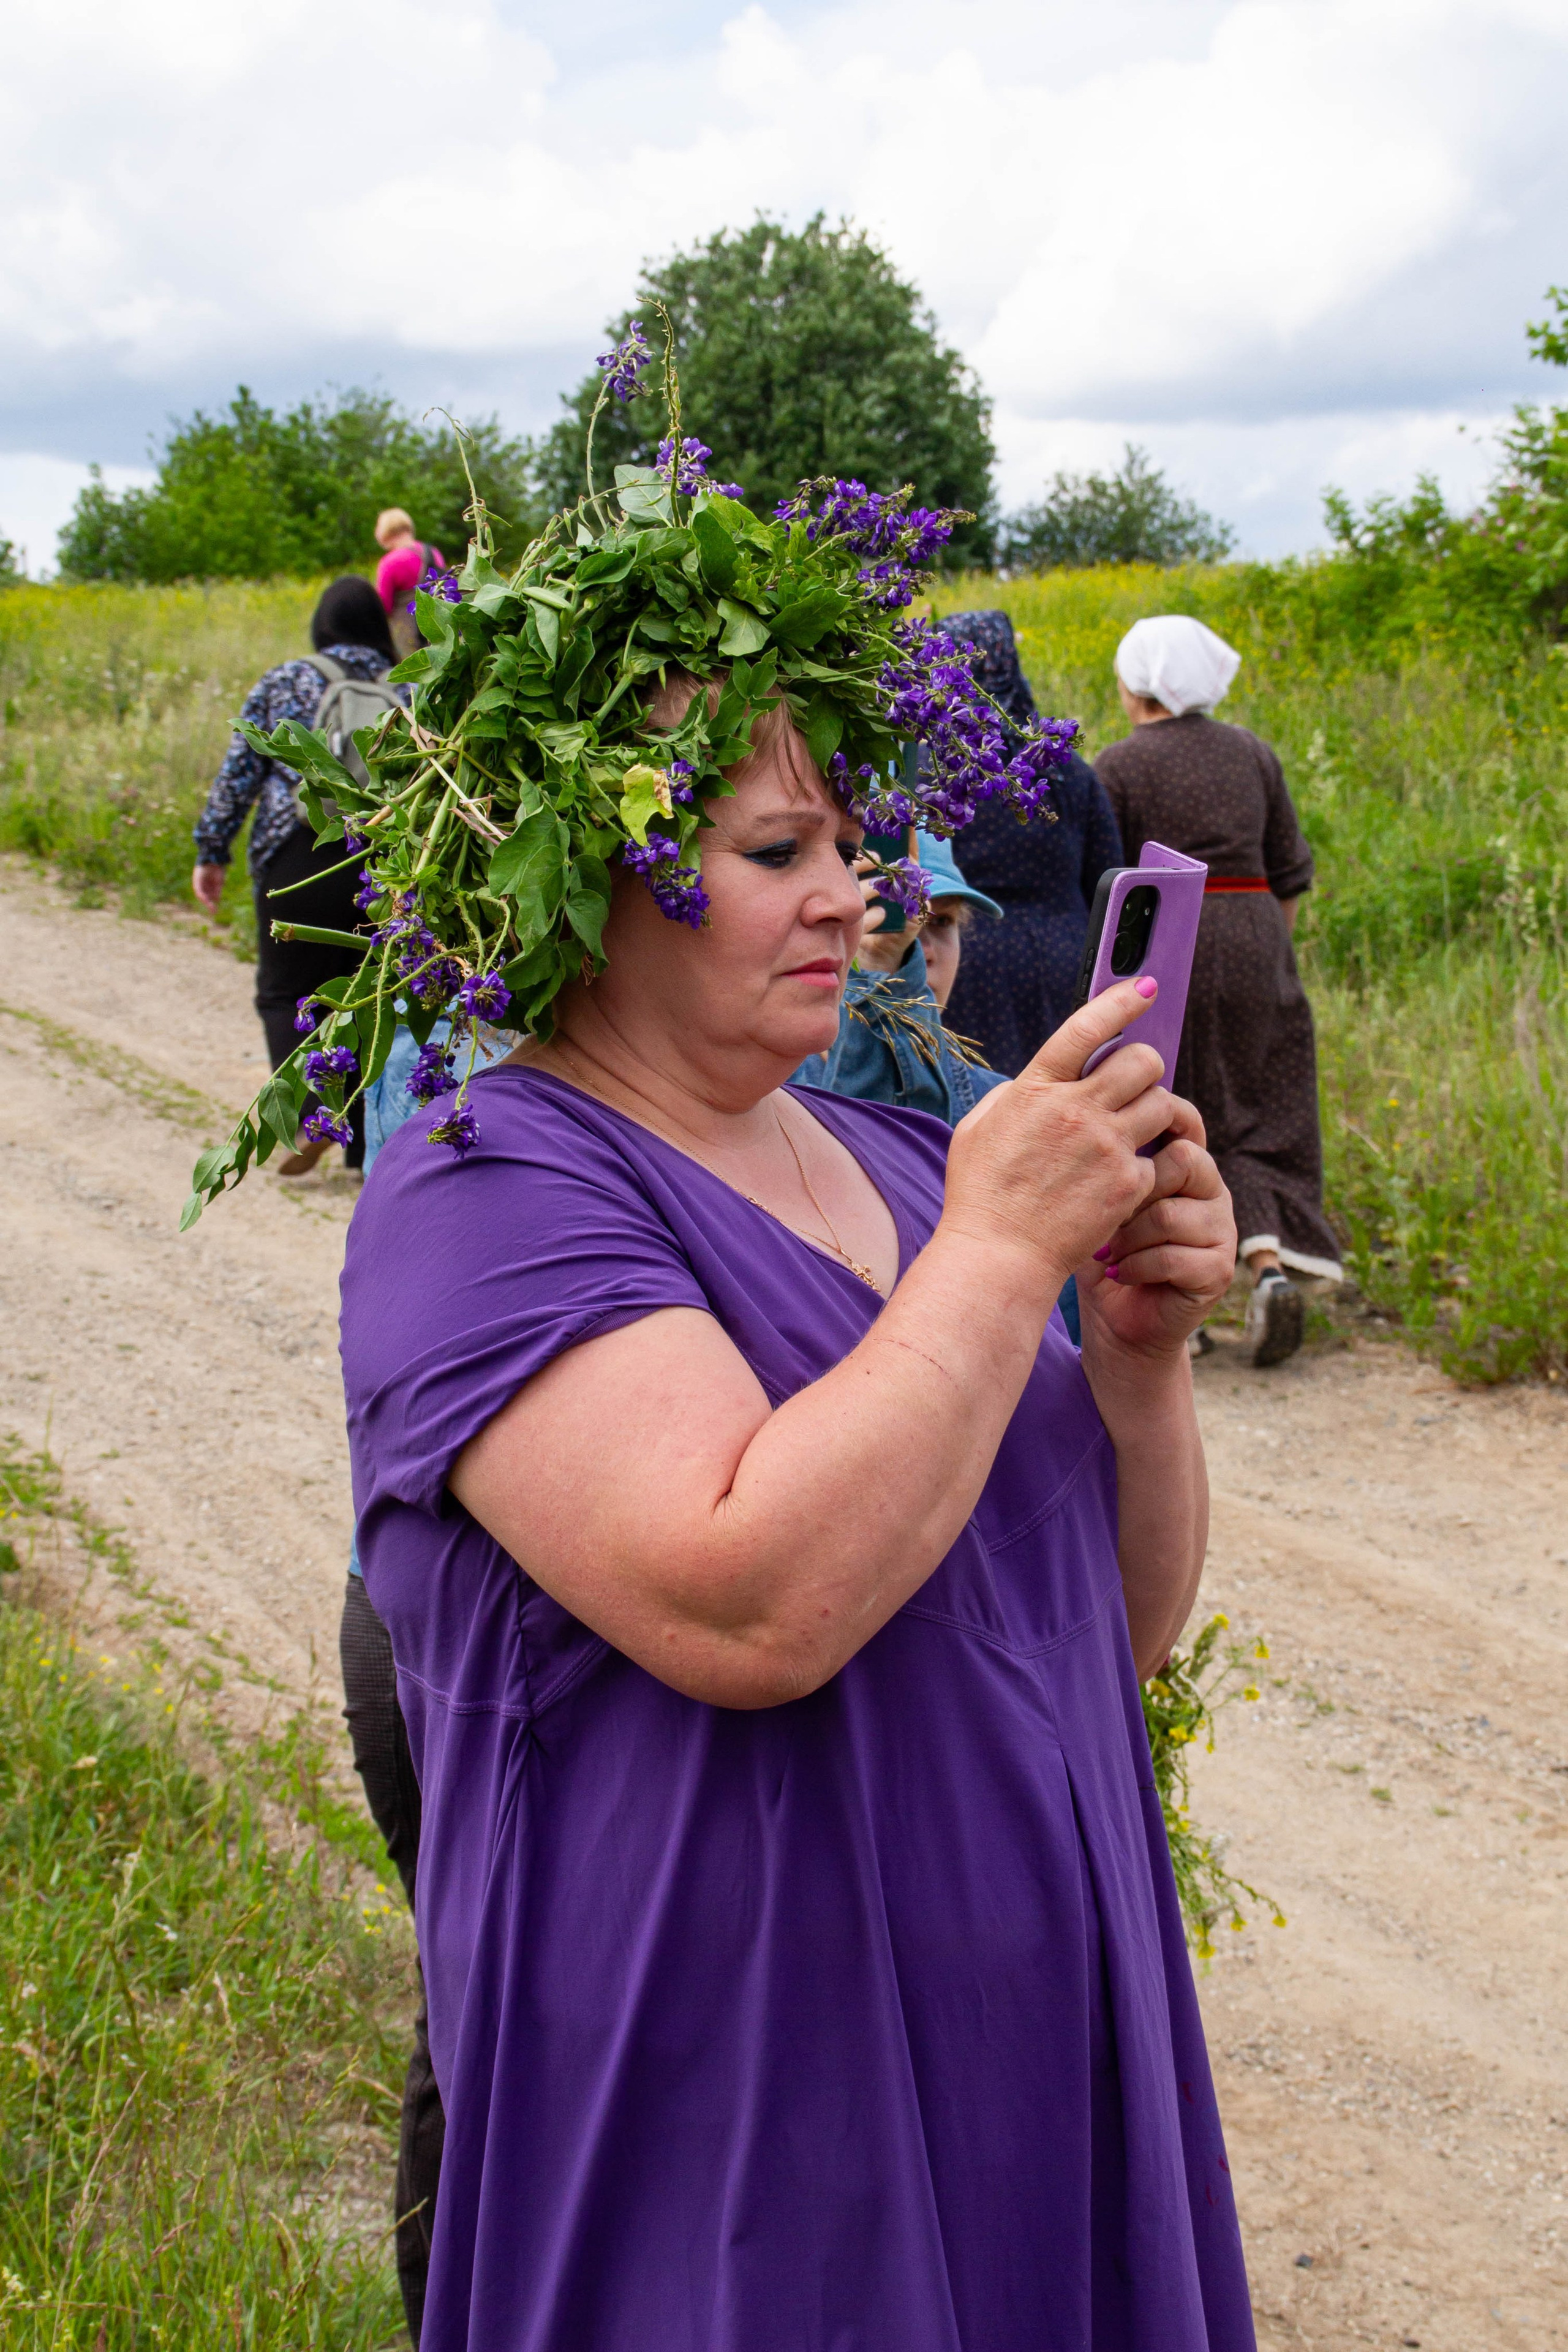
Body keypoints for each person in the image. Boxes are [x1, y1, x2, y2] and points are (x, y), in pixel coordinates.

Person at [339, 680, 1251, 2349]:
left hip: (1031, 2082)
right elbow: (746, 1603)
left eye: (846, 838)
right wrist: (993, 1264)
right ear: (579, 889)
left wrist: (1133, 1352)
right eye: (777, 849)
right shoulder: (485, 1186)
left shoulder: (905, 1156)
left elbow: (1104, 1632)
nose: (855, 889)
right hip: (751, 2125)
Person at [1094, 612, 1342, 1369]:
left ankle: (1182, 1307)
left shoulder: (1118, 766)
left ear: (1136, 683)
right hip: (1256, 930)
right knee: (1262, 1102)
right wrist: (1264, 947)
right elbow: (1289, 871)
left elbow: (1115, 887)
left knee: (1173, 1105)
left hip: (1172, 943)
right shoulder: (1252, 753)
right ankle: (1268, 1268)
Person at [191, 577, 399, 1174]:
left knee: (285, 992)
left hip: (297, 856)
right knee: (371, 1002)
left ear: (322, 625)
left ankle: (313, 1115)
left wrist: (213, 850)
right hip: (381, 860)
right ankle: (363, 1148)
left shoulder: (287, 679)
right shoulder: (409, 686)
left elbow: (240, 772)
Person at [933, 609, 1125, 1076]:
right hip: (1066, 955)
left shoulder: (930, 770)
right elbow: (1109, 872)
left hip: (966, 957)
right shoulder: (1064, 768)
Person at [375, 508, 447, 658]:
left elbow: (384, 607)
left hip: (408, 637)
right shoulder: (433, 552)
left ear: (385, 532)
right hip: (440, 631)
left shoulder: (390, 562)